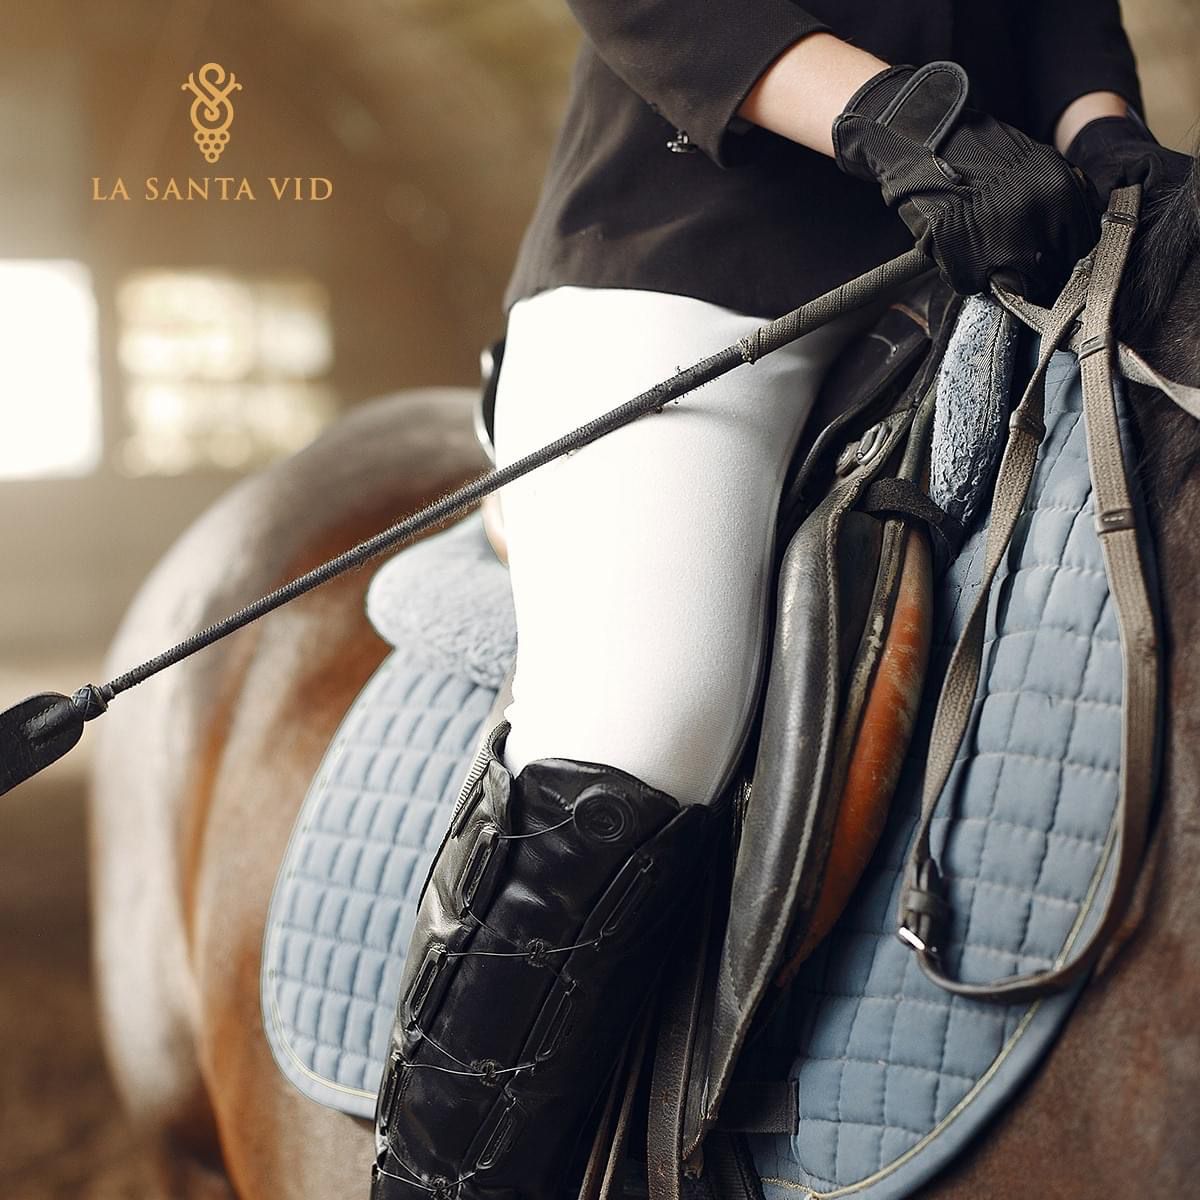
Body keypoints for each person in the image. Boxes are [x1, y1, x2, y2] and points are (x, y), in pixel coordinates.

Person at [372, 6, 1185, 1199]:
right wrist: (896, 120)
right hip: (694, 264)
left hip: (1002, 253)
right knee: (656, 710)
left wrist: (1105, 139)